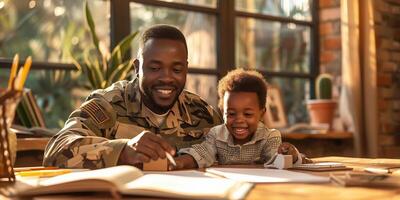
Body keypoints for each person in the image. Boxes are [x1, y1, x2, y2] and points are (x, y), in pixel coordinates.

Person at [43, 24, 222, 169]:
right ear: (137, 67)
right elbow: (55, 151)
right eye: (154, 68)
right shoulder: (107, 104)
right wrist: (122, 151)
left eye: (176, 69)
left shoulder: (202, 112)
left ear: (186, 69)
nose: (167, 78)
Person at [172, 68, 303, 169]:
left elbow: (277, 158)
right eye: (231, 114)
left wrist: (290, 154)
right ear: (222, 112)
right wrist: (179, 162)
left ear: (262, 113)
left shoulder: (270, 137)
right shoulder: (216, 135)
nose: (239, 120)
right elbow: (202, 153)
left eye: (248, 114)